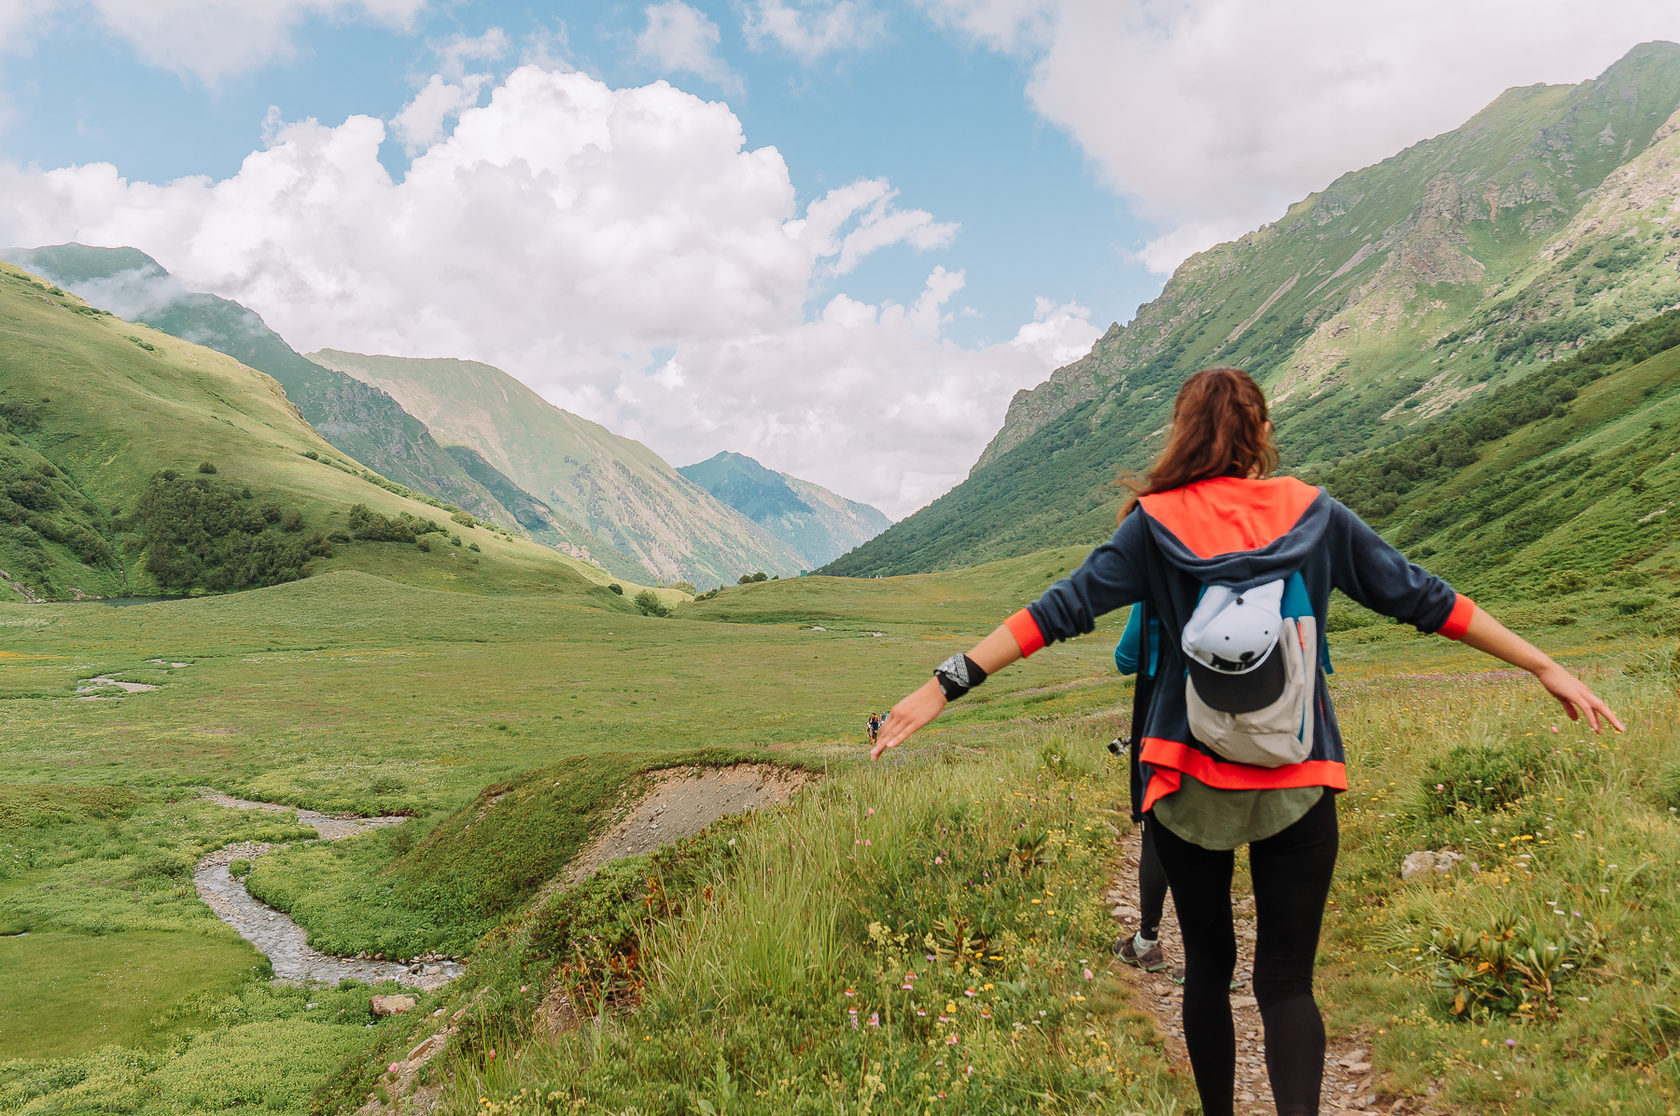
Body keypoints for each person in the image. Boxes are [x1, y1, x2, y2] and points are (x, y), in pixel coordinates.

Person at [870, 367, 1622, 1116]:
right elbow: (1424, 597)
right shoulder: (1315, 515)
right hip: (1298, 773)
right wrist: (1543, 664)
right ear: (1260, 432)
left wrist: (945, 684)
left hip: (1187, 778)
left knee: (1206, 971)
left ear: (1182, 433)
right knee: (1288, 982)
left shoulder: (1153, 525)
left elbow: (1056, 611)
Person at [1111, 603, 1177, 977]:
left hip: (1166, 726)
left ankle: (1147, 941)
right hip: (1232, 727)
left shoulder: (1161, 571)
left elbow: (1125, 657)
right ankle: (1219, 958)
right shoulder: (1251, 567)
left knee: (1159, 834)